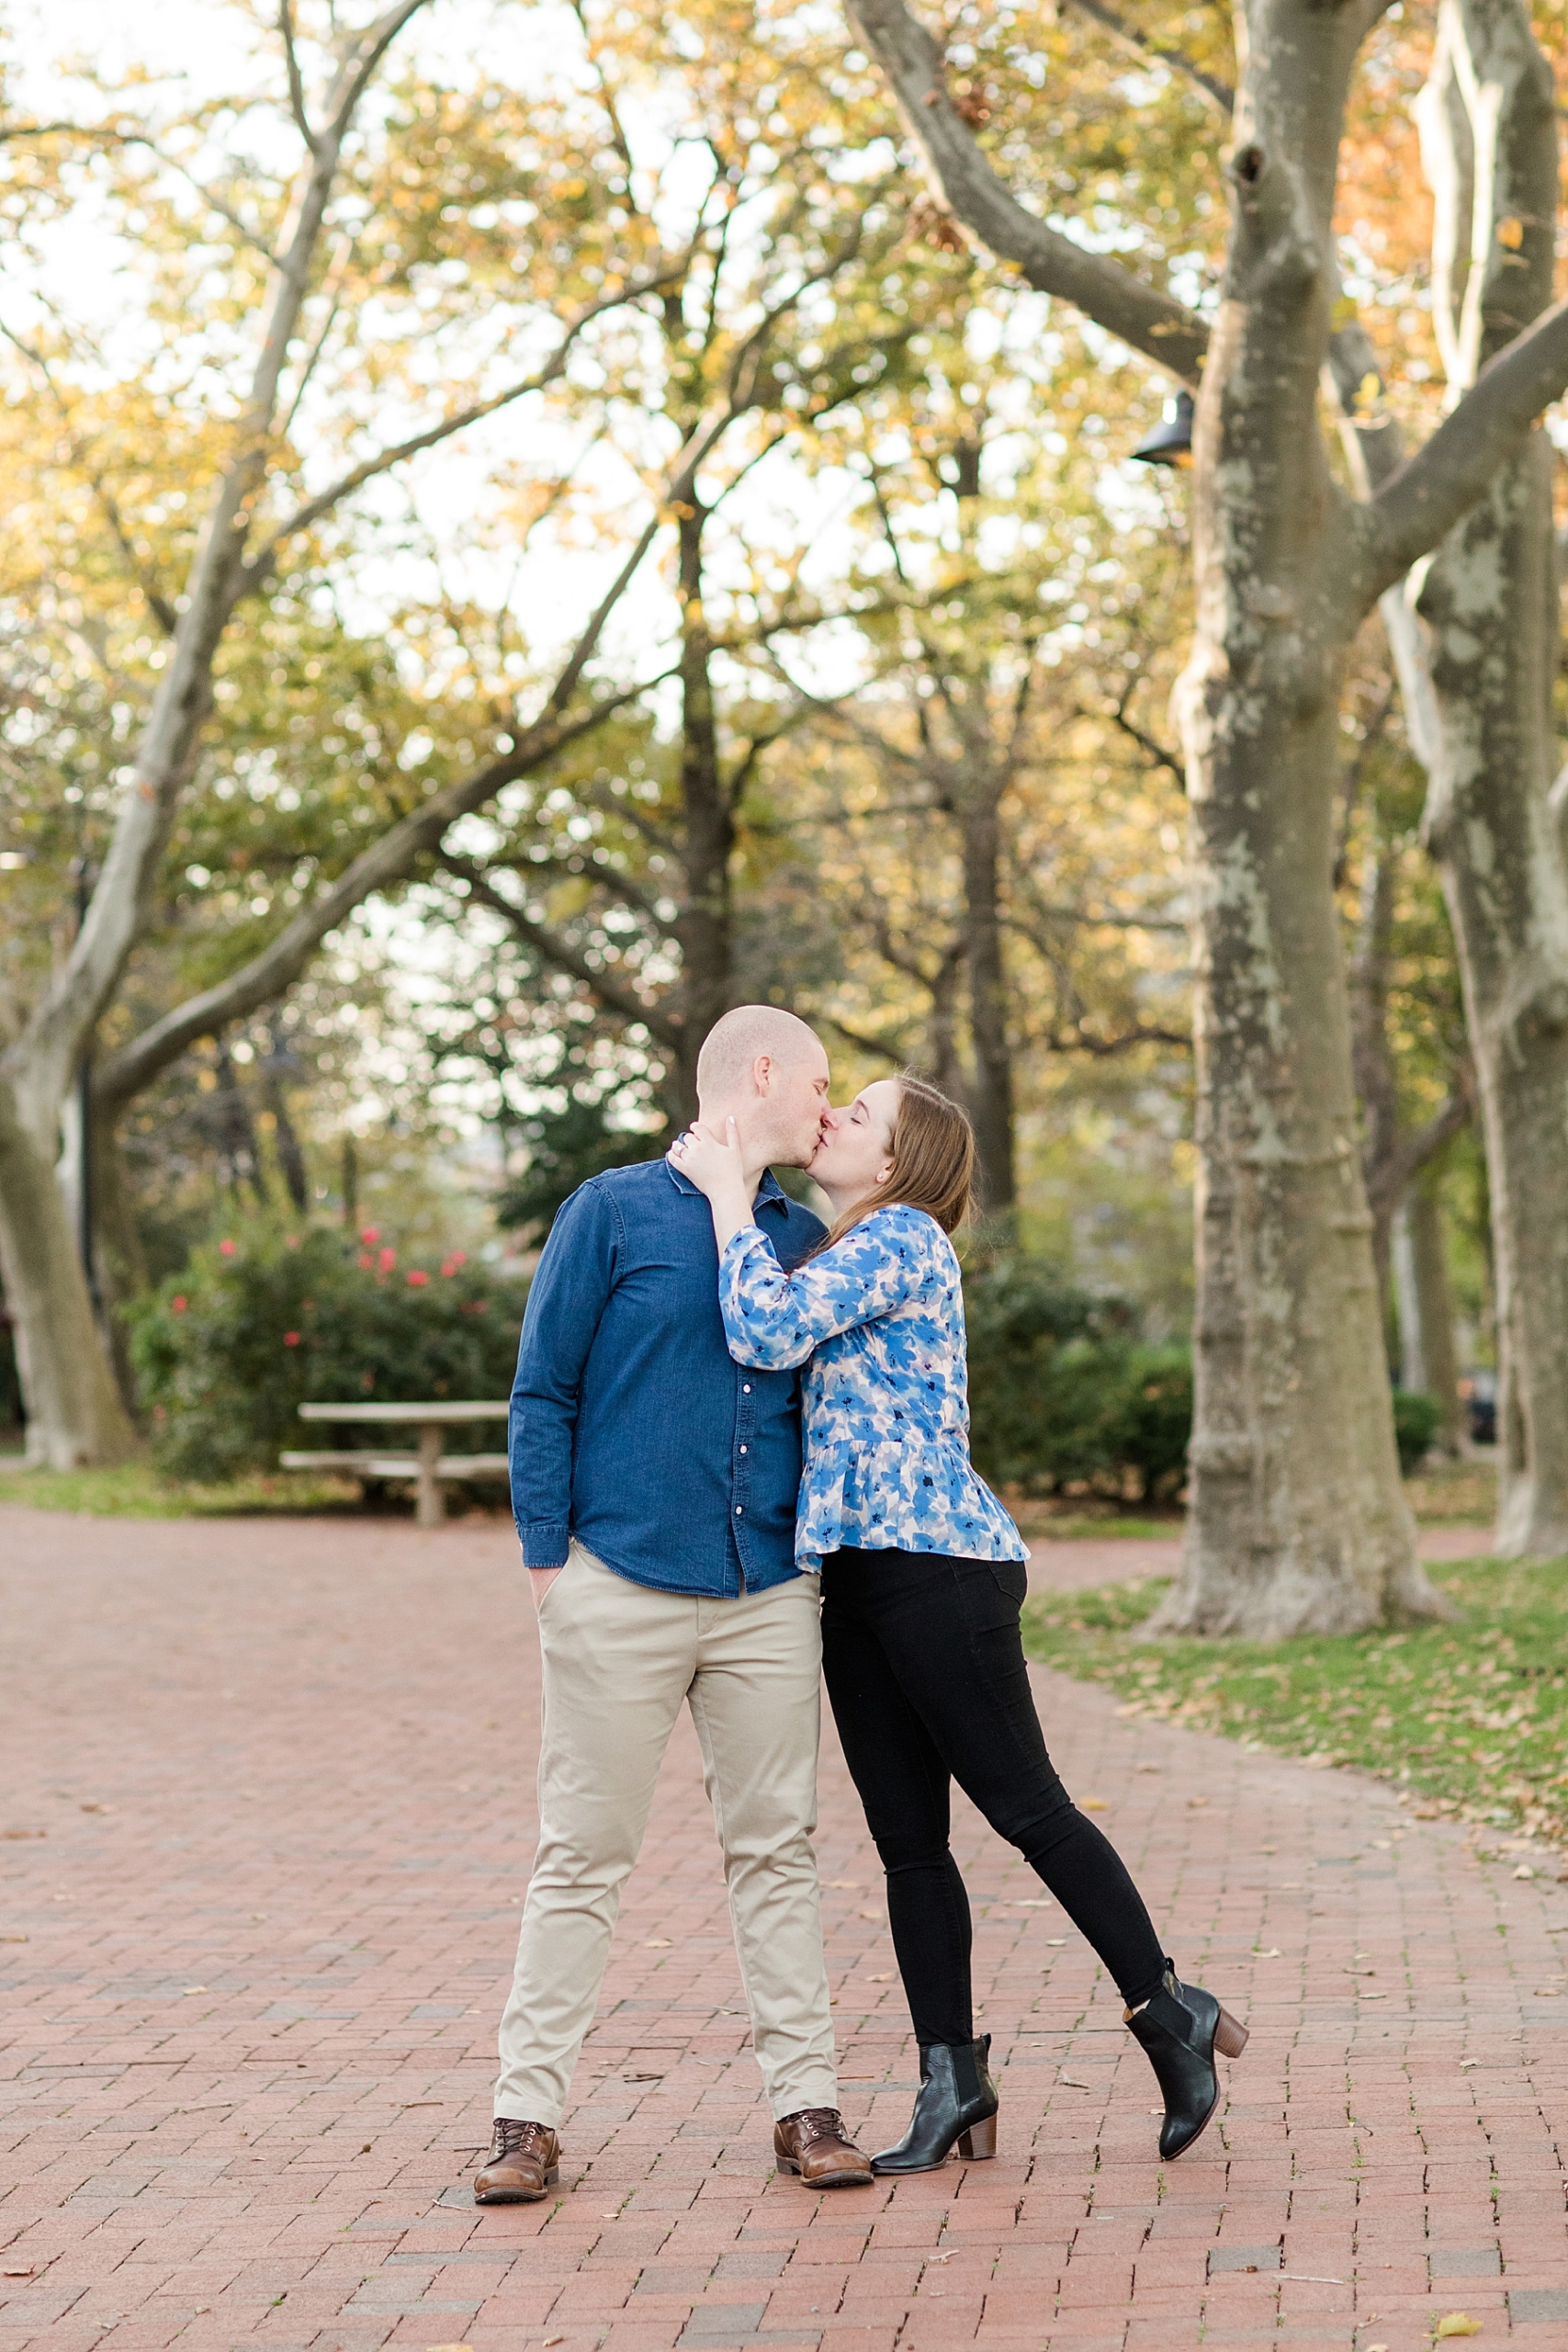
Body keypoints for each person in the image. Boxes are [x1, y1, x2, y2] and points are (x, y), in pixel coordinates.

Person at [668, 1072, 1247, 2175]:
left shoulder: (903, 1238)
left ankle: (1168, 2013)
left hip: (940, 1571)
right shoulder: (851, 1245)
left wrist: (728, 1191)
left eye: (861, 1114)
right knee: (907, 1847)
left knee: (1029, 1809)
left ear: (896, 1163)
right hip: (857, 1578)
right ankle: (952, 2082)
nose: (833, 1118)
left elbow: (765, 1330)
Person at [474, 1007, 875, 2205]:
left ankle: (805, 2108)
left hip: (762, 1598)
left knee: (777, 1855)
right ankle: (523, 2119)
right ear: (762, 1073)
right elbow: (540, 1391)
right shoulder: (608, 1211)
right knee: (581, 1855)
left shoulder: (801, 1234)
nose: (824, 1109)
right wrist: (552, 1567)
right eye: (817, 1085)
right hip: (617, 1587)